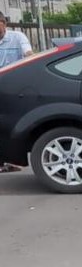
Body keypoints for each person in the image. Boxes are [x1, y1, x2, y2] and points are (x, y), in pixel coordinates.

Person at [0, 11, 32, 171]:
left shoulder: (17, 37)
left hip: (15, 86)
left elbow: (28, 54)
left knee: (14, 123)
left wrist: (28, 55)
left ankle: (15, 161)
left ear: (4, 24)